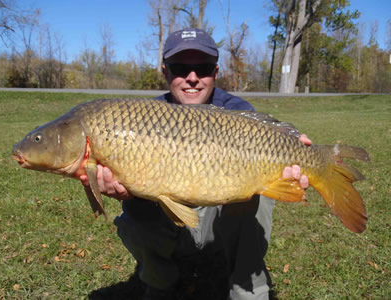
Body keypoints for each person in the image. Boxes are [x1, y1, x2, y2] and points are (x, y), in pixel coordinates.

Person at [81, 28, 311, 300]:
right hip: (174, 223)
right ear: (166, 72)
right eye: (181, 68)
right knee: (135, 207)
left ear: (215, 72)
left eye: (201, 68)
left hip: (220, 224)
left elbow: (279, 145)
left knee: (257, 195)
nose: (192, 78)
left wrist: (299, 155)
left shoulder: (239, 113)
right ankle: (160, 284)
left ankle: (249, 291)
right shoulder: (143, 116)